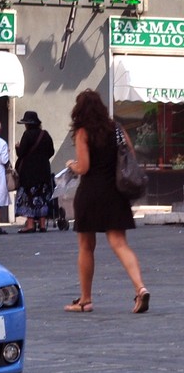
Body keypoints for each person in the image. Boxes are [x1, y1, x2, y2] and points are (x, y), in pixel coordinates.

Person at [64, 89, 149, 314]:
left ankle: (85, 300)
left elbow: (84, 167)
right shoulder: (117, 128)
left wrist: (71, 165)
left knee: (86, 246)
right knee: (120, 243)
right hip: (116, 193)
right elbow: (129, 154)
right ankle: (140, 289)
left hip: (91, 193)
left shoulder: (83, 132)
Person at [14, 111, 55, 233]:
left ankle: (30, 224)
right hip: (43, 170)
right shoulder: (45, 135)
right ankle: (42, 224)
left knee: (29, 196)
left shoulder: (27, 135)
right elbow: (51, 152)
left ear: (27, 124)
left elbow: (21, 153)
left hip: (29, 172)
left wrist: (17, 147)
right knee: (42, 197)